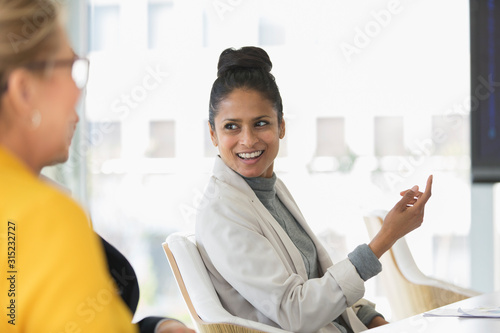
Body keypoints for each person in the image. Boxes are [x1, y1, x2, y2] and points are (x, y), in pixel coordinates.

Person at [196, 46, 433, 333]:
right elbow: (295, 312)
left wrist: (373, 319)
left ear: (281, 126)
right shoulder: (222, 211)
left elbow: (318, 282)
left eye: (261, 123)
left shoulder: (271, 189)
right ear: (213, 134)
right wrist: (386, 237)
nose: (247, 140)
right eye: (232, 126)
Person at [0, 1, 194, 332]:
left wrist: (152, 328)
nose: (79, 88)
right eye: (71, 66)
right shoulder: (44, 218)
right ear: (24, 91)